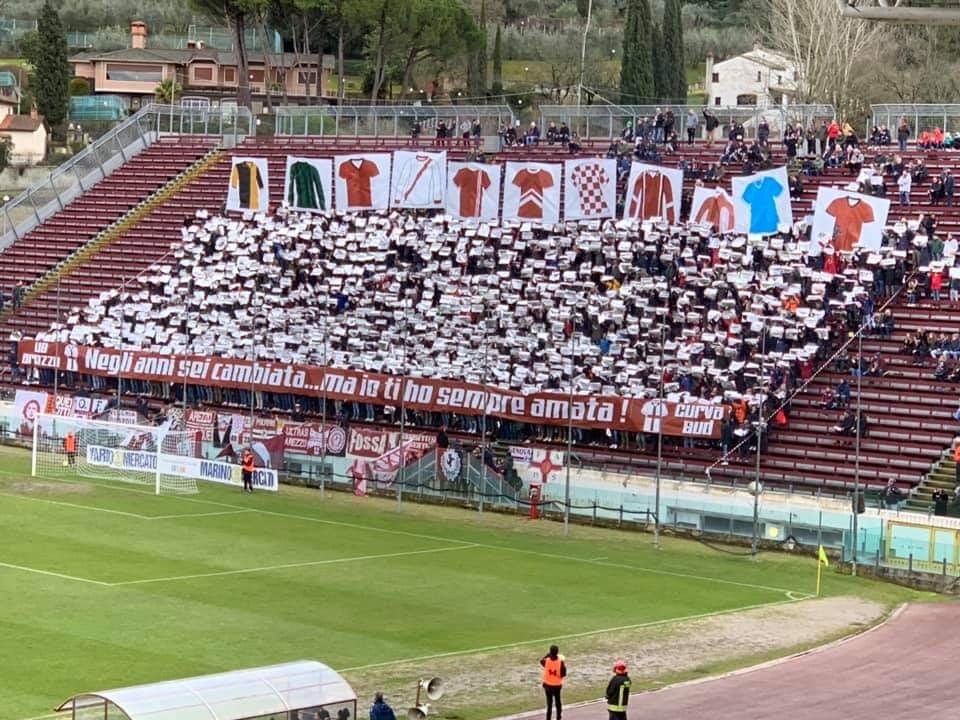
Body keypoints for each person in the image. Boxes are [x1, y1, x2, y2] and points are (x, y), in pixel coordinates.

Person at [540, 645, 566, 720]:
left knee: (549, 704)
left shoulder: (546, 661)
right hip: (557, 686)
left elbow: (541, 660)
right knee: (558, 702)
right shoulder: (560, 662)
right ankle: (558, 717)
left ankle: (548, 718)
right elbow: (563, 674)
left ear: (550, 652)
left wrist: (548, 654)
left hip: (547, 685)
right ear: (557, 652)